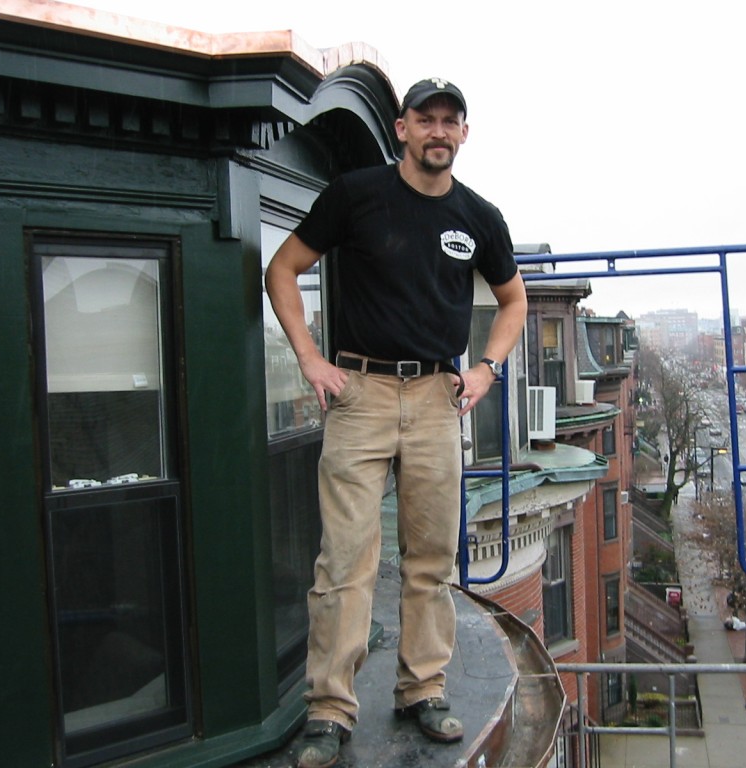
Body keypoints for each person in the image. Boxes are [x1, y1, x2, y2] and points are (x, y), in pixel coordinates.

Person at [264, 77, 527, 768]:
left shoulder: (480, 217)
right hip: (361, 394)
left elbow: (513, 301)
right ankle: (329, 709)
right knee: (346, 561)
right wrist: (310, 359)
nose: (438, 131)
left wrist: (487, 369)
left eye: (451, 121)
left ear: (463, 134)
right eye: (425, 119)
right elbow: (284, 269)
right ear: (403, 127)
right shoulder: (357, 193)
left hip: (440, 399)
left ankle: (423, 690)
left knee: (432, 558)